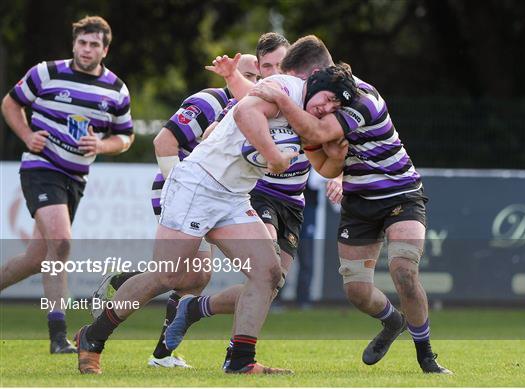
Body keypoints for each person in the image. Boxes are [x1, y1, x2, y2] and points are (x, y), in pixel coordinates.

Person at [75, 35, 358, 375]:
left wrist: (339, 163)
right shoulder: (285, 86)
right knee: (171, 276)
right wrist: (273, 157)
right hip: (198, 185)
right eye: (328, 99)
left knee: (267, 273)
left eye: (334, 108)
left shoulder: (303, 111)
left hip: (232, 197)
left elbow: (321, 157)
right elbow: (245, 115)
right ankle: (93, 337)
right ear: (314, 75)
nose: (328, 109)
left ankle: (240, 361)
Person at [248, 35, 452, 375]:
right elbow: (324, 161)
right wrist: (335, 171)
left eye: (296, 83)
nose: (293, 91)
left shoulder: (360, 99)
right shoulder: (321, 98)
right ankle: (392, 323)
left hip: (401, 193)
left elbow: (315, 131)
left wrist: (282, 104)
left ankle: (426, 356)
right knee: (357, 292)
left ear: (314, 73)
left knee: (403, 270)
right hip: (359, 202)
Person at [91, 54, 260, 369]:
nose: (256, 83)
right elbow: (163, 142)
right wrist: (182, 190)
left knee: (196, 277)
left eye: (261, 77)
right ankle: (109, 332)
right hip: (183, 191)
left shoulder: (260, 109)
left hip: (211, 198)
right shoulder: (210, 101)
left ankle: (159, 350)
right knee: (176, 274)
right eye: (249, 74)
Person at [0, 16, 134, 354]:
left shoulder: (115, 89)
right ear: (74, 43)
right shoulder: (45, 73)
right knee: (60, 242)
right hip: (41, 168)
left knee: (37, 257)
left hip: (76, 178)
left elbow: (126, 136)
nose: (86, 49)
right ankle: (58, 336)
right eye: (82, 43)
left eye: (94, 45)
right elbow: (10, 103)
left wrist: (102, 146)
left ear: (105, 49)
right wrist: (27, 134)